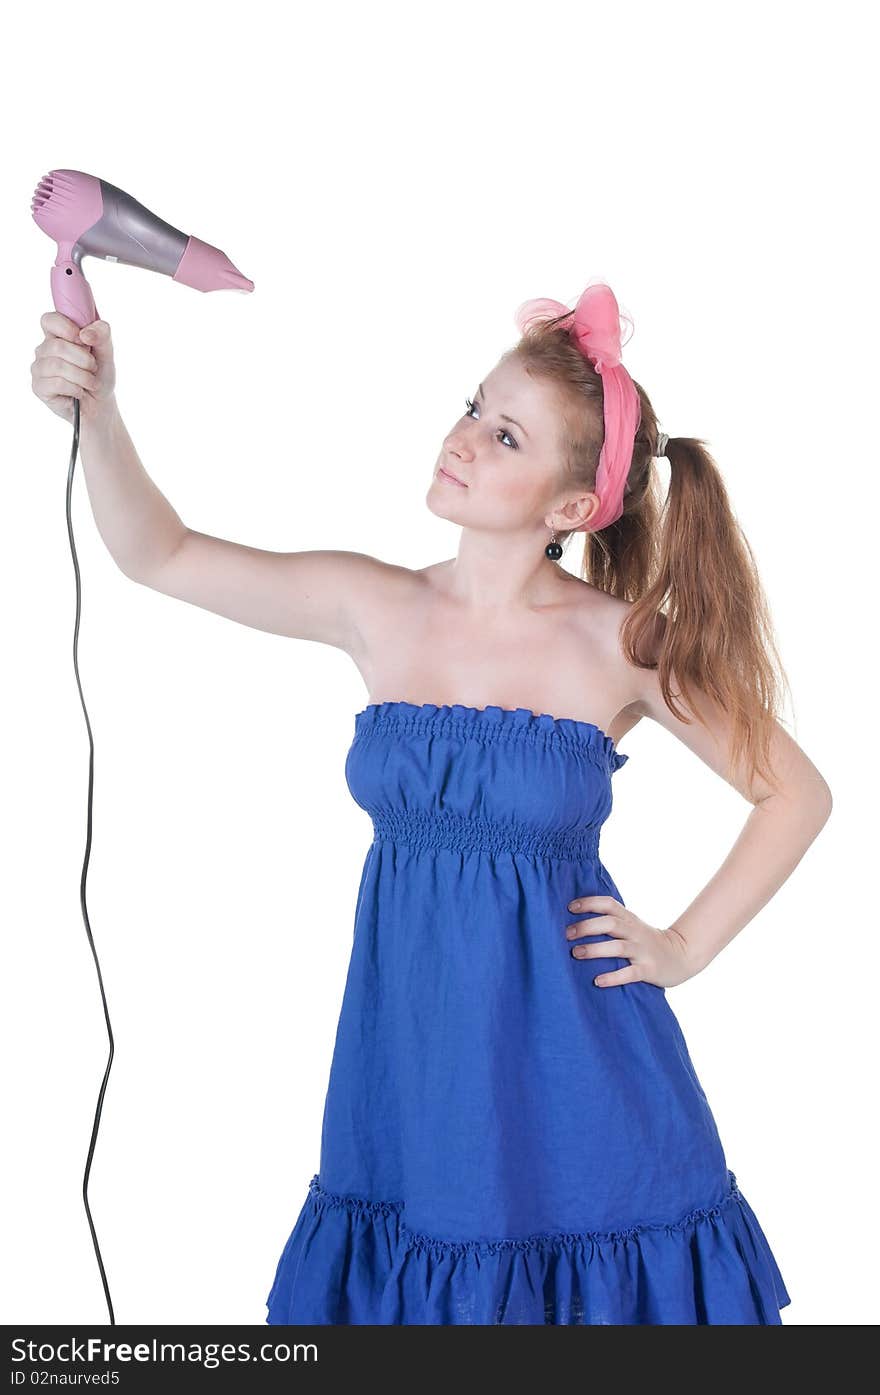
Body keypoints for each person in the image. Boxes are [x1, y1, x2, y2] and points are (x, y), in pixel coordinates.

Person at [31, 280, 832, 1325]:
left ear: (570, 509)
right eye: (472, 409)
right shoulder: (377, 606)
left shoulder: (623, 642)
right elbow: (160, 555)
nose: (462, 439)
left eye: (505, 437)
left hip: (578, 1063)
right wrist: (99, 410)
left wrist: (682, 945)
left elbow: (795, 796)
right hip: (410, 1056)